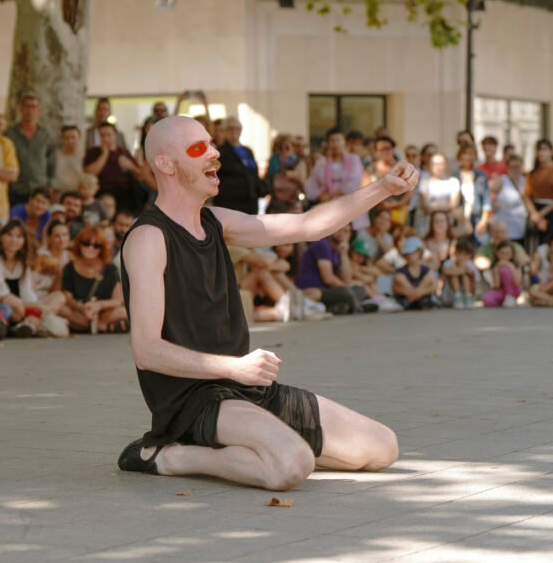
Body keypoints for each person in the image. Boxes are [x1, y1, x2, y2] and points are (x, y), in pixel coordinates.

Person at [116, 116, 409, 490]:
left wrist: (382, 188)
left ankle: (261, 442)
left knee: (381, 447)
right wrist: (235, 367)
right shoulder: (148, 238)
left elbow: (308, 225)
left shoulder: (216, 221)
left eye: (211, 144)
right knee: (290, 465)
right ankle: (168, 456)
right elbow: (147, 351)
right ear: (166, 164)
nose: (214, 153)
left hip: (243, 387)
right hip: (191, 401)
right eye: (198, 148)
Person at [57, 225, 128, 333]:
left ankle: (95, 325)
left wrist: (99, 305)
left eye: (96, 245)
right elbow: (67, 297)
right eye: (86, 244)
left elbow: (117, 300)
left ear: (102, 248)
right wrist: (82, 307)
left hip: (104, 313)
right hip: (79, 312)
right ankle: (98, 326)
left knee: (123, 311)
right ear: (79, 245)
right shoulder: (69, 267)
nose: (91, 248)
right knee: (61, 309)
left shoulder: (110, 268)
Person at [5, 94, 57, 206]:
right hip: (15, 189)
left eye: (34, 107)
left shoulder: (46, 136)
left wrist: (51, 186)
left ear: (39, 110)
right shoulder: (9, 134)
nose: (30, 110)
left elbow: (51, 163)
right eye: (26, 106)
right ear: (21, 109)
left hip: (40, 190)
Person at [84, 122, 141, 213]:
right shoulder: (93, 152)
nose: (106, 139)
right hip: (102, 191)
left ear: (115, 135)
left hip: (124, 192)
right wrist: (104, 155)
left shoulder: (123, 152)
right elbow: (89, 174)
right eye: (102, 136)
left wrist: (130, 166)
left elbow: (140, 174)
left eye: (109, 135)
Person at [213, 117, 265, 215]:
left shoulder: (248, 151)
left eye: (237, 128)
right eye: (230, 128)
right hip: (229, 203)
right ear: (224, 131)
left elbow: (254, 174)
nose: (234, 131)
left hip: (250, 201)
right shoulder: (220, 152)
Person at [522, 139, 553, 249]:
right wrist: (535, 215)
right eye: (539, 150)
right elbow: (527, 196)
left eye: (545, 149)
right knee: (535, 246)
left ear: (551, 152)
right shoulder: (532, 173)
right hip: (535, 212)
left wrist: (541, 214)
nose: (541, 153)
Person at [305, 129, 363, 207]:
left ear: (344, 141)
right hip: (327, 204)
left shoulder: (353, 160)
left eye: (338, 140)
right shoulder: (322, 162)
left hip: (348, 204)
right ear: (328, 143)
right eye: (332, 140)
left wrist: (333, 194)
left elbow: (354, 181)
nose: (335, 143)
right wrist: (320, 196)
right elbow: (312, 183)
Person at [415, 153, 460, 238]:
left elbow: (453, 204)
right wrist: (444, 207)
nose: (437, 166)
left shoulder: (453, 182)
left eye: (440, 163)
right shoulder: (424, 182)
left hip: (447, 223)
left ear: (446, 165)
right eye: (434, 164)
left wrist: (434, 207)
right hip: (426, 223)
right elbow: (425, 205)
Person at [489, 154, 528, 246]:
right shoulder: (501, 180)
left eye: (517, 167)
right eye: (512, 167)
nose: (515, 170)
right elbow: (489, 195)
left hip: (520, 226)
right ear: (507, 167)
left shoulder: (525, 181)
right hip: (503, 227)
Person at [392, 236, 438, 310]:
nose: (409, 256)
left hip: (413, 299)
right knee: (399, 278)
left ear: (419, 253)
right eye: (407, 253)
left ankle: (413, 300)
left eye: (412, 253)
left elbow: (433, 286)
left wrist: (419, 292)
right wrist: (414, 292)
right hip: (407, 298)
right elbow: (396, 289)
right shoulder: (401, 272)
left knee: (429, 276)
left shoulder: (426, 270)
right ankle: (415, 300)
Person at [482, 241, 523, 308]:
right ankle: (502, 301)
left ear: (512, 254)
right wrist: (497, 270)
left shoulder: (516, 264)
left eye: (507, 253)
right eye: (502, 253)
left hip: (514, 290)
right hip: (501, 291)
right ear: (497, 253)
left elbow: (517, 282)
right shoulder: (495, 265)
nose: (504, 256)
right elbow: (496, 285)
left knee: (505, 270)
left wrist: (511, 267)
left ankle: (510, 297)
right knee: (487, 299)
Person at [441, 236, 479, 309]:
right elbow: (447, 271)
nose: (462, 257)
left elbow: (475, 281)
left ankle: (467, 296)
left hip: (469, 294)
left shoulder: (471, 265)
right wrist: (462, 270)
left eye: (465, 254)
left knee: (465, 276)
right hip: (450, 296)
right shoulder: (448, 263)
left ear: (469, 255)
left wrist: (465, 271)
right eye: (460, 253)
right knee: (454, 275)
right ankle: (457, 296)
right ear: (455, 253)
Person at [54, 125, 85, 195]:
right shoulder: (55, 156)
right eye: (66, 138)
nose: (70, 141)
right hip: (59, 193)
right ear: (61, 139)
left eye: (73, 137)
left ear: (79, 137)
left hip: (79, 194)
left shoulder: (85, 156)